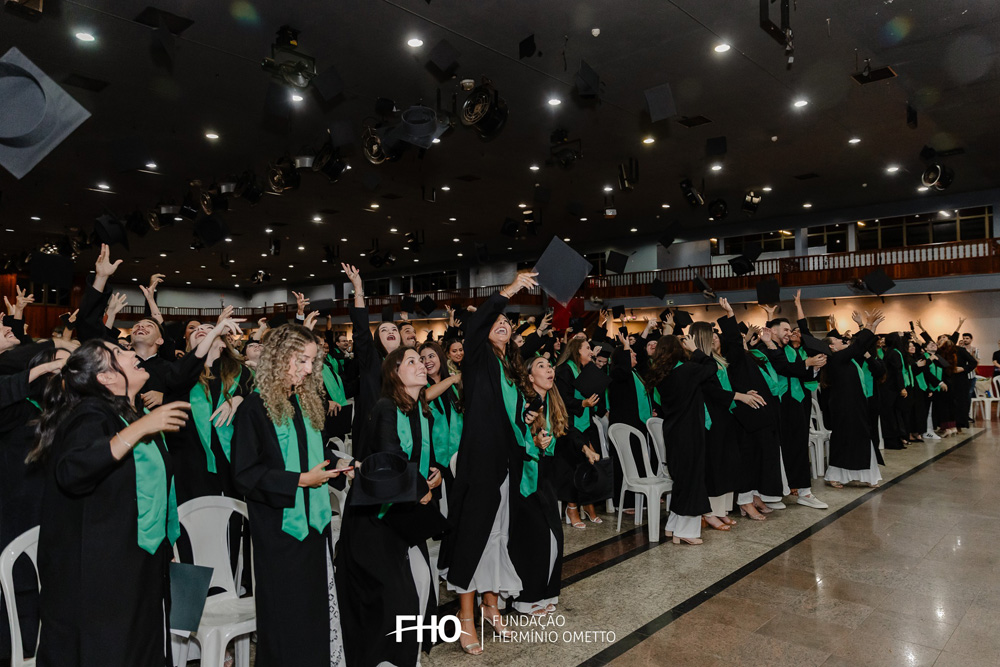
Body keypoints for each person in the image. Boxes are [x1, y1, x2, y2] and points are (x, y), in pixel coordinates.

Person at [31, 339, 195, 666]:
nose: (131, 352)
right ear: (105, 377)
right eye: (118, 353)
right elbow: (72, 470)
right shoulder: (89, 413)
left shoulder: (132, 414)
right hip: (100, 575)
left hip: (138, 560)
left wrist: (166, 545)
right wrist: (141, 428)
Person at [232, 324, 350, 667]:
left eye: (312, 361)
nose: (309, 369)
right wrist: (299, 480)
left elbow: (314, 454)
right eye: (302, 360)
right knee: (286, 618)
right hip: (279, 530)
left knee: (313, 614)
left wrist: (342, 465)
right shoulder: (254, 408)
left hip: (315, 527)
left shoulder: (304, 401)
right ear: (279, 357)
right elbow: (244, 474)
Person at [439, 271, 539, 656]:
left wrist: (526, 420)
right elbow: (476, 324)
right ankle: (465, 619)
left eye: (506, 323)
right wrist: (509, 291)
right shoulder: (478, 357)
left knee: (497, 536)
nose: (502, 324)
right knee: (473, 535)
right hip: (480, 460)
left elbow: (507, 415)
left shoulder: (509, 368)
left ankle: (491, 606)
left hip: (505, 461)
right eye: (496, 321)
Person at [336, 347, 445, 667]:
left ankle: (407, 657)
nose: (421, 364)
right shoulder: (386, 408)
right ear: (394, 374)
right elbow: (390, 458)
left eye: (420, 360)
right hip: (374, 520)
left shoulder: (420, 410)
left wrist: (434, 474)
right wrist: (420, 488)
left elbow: (419, 457)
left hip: (402, 516)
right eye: (411, 361)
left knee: (420, 583)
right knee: (394, 598)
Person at [510, 355, 565, 615]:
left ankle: (547, 592)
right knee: (534, 536)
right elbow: (513, 435)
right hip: (525, 475)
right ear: (530, 377)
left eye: (550, 365)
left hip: (546, 473)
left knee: (554, 535)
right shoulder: (524, 403)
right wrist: (534, 443)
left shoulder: (553, 402)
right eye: (541, 366)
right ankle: (525, 598)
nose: (549, 369)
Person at [822, 310, 886, 488]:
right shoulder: (836, 358)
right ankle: (835, 475)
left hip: (855, 405)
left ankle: (868, 476)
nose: (841, 340)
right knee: (843, 440)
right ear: (832, 347)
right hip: (844, 407)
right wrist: (868, 324)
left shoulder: (847, 358)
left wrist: (872, 327)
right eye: (837, 340)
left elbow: (862, 346)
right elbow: (858, 345)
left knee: (861, 438)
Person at [343, 263, 400, 459]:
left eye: (394, 329)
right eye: (384, 330)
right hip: (374, 435)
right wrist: (358, 288)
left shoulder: (409, 364)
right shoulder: (372, 361)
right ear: (377, 339)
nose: (390, 331)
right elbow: (361, 329)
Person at [554, 337, 606, 528]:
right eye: (587, 348)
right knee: (572, 468)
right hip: (568, 425)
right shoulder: (564, 370)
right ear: (577, 351)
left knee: (589, 465)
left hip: (585, 423)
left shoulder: (583, 369)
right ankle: (572, 507)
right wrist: (582, 403)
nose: (591, 351)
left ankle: (587, 503)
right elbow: (562, 399)